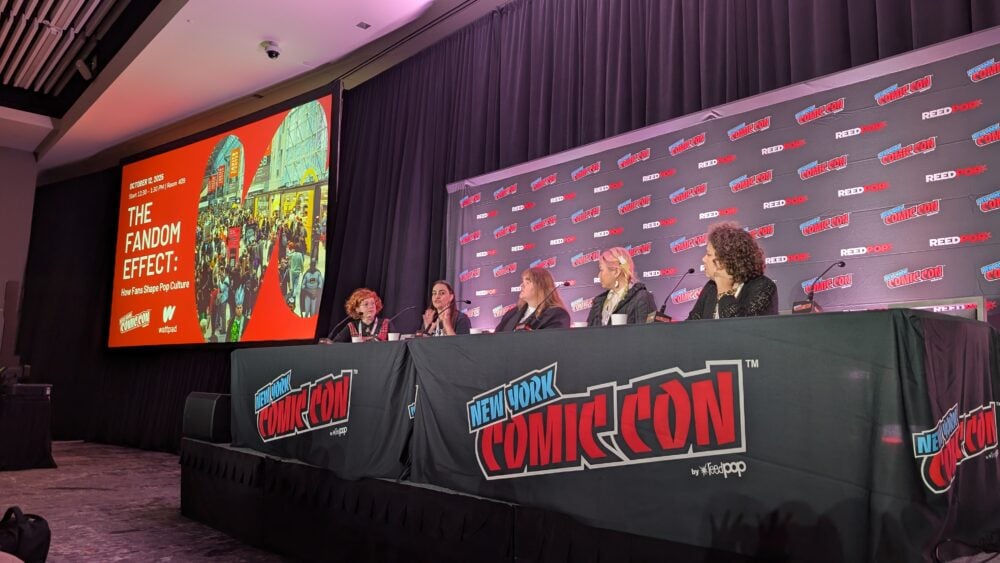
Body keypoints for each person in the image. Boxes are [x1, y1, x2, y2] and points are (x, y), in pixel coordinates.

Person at [687, 222, 778, 320]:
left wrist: (724, 290)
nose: (703, 259)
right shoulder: (711, 287)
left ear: (726, 259)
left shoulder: (764, 286)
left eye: (709, 254)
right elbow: (691, 325)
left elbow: (743, 329)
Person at [587, 247, 657, 326]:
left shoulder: (642, 298)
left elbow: (647, 335)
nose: (598, 275)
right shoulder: (598, 302)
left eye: (601, 269)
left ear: (616, 272)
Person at [495, 267, 570, 332]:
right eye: (522, 282)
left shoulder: (558, 315)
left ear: (541, 287)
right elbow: (496, 338)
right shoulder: (512, 313)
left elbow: (552, 343)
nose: (522, 285)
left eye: (527, 282)